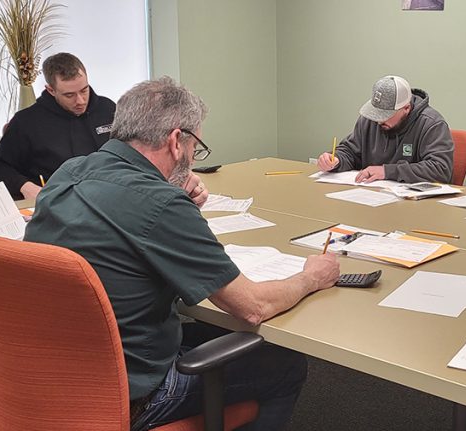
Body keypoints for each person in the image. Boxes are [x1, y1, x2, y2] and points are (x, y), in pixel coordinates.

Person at [24, 76, 340, 431]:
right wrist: (311, 277)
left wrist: (174, 200)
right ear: (176, 140)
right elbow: (253, 307)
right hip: (130, 392)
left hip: (52, 370)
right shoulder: (160, 204)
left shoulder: (68, 173)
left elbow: (123, 229)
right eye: (194, 146)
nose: (192, 157)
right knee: (284, 364)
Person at [0, 52, 116, 200]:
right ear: (51, 90)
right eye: (69, 95)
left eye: (84, 90)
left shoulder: (108, 109)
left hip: (108, 197)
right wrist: (25, 186)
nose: (80, 101)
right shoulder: (27, 122)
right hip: (56, 202)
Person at [316, 75, 453, 183]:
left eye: (386, 115)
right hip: (371, 197)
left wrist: (387, 171)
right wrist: (336, 160)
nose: (379, 120)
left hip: (414, 206)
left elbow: (440, 169)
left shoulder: (431, 124)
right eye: (376, 113)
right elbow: (351, 152)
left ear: (406, 108)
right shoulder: (370, 119)